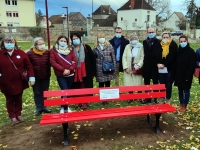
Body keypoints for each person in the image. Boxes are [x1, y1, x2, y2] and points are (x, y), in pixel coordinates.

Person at [0, 35, 35, 125]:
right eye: (7, 42)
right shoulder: (0, 54)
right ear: (3, 43)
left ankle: (18, 114)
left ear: (15, 43)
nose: (9, 44)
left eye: (11, 42)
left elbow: (29, 66)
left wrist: (31, 78)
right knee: (9, 99)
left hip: (19, 81)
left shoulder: (21, 53)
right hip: (5, 81)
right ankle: (12, 116)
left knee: (18, 98)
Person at [50, 35, 77, 111]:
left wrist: (70, 69)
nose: (63, 42)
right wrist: (63, 70)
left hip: (70, 74)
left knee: (67, 90)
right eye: (61, 41)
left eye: (65, 41)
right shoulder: (53, 51)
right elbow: (53, 62)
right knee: (64, 89)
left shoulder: (70, 50)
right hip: (60, 74)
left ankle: (64, 105)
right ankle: (65, 108)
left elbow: (74, 61)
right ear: (58, 41)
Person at [70, 33, 96, 110]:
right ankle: (78, 101)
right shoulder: (70, 49)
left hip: (86, 70)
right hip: (75, 71)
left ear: (80, 38)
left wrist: (93, 71)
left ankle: (85, 102)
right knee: (77, 87)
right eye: (73, 39)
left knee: (85, 86)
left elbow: (92, 59)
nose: (75, 40)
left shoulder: (86, 47)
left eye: (76, 38)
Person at [27, 37, 51, 116]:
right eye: (39, 44)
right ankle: (38, 107)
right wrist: (31, 76)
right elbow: (27, 65)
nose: (42, 45)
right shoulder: (30, 53)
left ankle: (44, 106)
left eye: (43, 43)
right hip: (35, 77)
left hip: (46, 75)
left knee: (45, 92)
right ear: (35, 45)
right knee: (37, 92)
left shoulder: (47, 52)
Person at [174, 35, 196, 112]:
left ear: (187, 41)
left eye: (184, 41)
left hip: (187, 74)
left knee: (186, 91)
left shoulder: (191, 52)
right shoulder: (178, 51)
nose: (183, 43)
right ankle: (181, 103)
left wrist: (188, 76)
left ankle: (185, 105)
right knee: (180, 90)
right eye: (181, 41)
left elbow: (192, 65)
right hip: (179, 75)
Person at [156, 32, 178, 104]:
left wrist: (164, 64)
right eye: (164, 37)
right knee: (162, 84)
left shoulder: (173, 45)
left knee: (168, 84)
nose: (165, 39)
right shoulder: (159, 44)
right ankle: (162, 98)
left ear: (169, 37)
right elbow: (155, 55)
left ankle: (168, 98)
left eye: (167, 37)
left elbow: (172, 57)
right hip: (160, 68)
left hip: (169, 68)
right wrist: (158, 63)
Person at [122, 33, 144, 103]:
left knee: (138, 83)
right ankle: (131, 97)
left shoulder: (140, 46)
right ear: (130, 40)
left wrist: (139, 65)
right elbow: (124, 57)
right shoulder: (127, 47)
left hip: (137, 67)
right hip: (128, 67)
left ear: (137, 39)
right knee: (129, 83)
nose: (134, 40)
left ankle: (140, 97)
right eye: (132, 39)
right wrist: (125, 67)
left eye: (135, 39)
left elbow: (142, 57)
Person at [93, 33, 116, 98]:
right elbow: (94, 59)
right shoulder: (95, 48)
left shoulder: (109, 46)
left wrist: (114, 68)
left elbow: (113, 57)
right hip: (99, 68)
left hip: (108, 67)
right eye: (100, 37)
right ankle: (102, 97)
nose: (101, 39)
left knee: (107, 83)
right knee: (101, 83)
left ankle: (108, 96)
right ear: (97, 39)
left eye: (102, 37)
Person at [142, 27, 162, 104]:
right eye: (149, 32)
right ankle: (147, 97)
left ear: (155, 32)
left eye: (152, 32)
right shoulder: (144, 42)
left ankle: (155, 97)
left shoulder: (158, 42)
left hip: (155, 65)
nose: (151, 34)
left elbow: (160, 54)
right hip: (147, 65)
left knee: (155, 82)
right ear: (147, 33)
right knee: (146, 82)